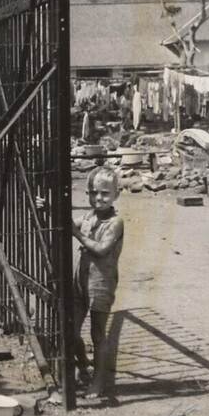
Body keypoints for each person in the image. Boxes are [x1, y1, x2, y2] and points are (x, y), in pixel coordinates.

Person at [72, 166, 124, 399]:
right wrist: (47, 209)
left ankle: (98, 381)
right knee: (71, 330)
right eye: (94, 192)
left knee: (97, 333)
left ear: (116, 194)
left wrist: (78, 235)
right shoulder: (88, 217)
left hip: (101, 283)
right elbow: (67, 223)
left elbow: (102, 249)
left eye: (105, 193)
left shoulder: (115, 222)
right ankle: (83, 364)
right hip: (80, 281)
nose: (99, 198)